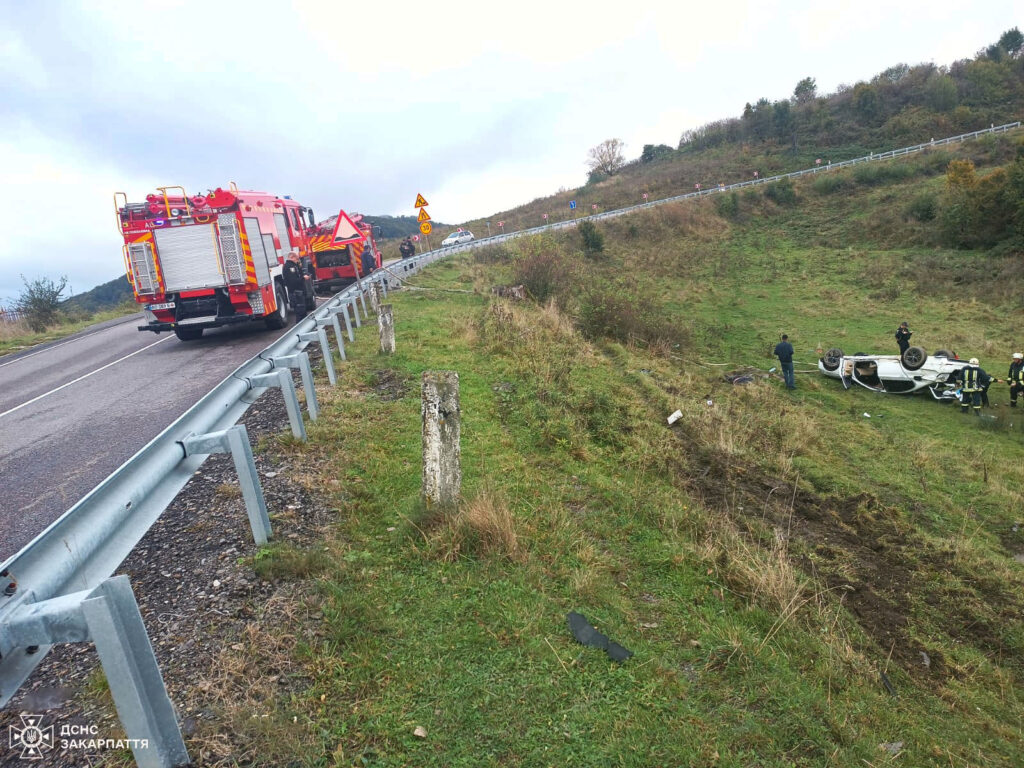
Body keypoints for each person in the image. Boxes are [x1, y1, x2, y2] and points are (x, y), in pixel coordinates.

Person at [282, 250, 307, 322]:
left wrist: (300, 266)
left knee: (303, 312)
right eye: (297, 259)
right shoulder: (289, 267)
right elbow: (293, 281)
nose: (298, 260)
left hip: (298, 293)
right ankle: (300, 331)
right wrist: (303, 278)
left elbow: (299, 274)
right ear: (292, 257)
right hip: (295, 293)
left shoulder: (294, 266)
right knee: (300, 313)